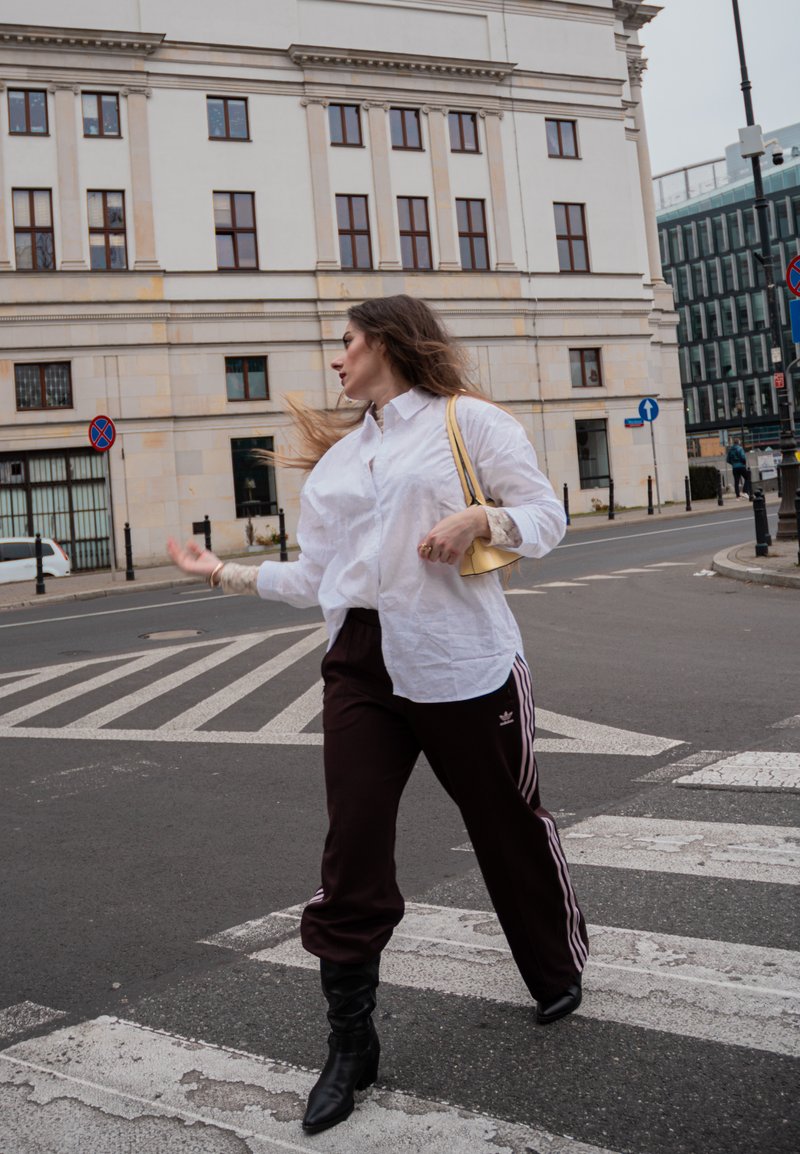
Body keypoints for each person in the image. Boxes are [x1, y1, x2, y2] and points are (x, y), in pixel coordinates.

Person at [167, 295, 588, 1135]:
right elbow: (320, 578)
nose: (338, 358)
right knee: (352, 842)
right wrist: (226, 574)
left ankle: (553, 966)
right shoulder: (338, 465)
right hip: (360, 664)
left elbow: (548, 519)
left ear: (388, 342)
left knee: (505, 820)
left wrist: (481, 518)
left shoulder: (471, 423)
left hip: (461, 660)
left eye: (348, 342)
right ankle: (350, 1045)